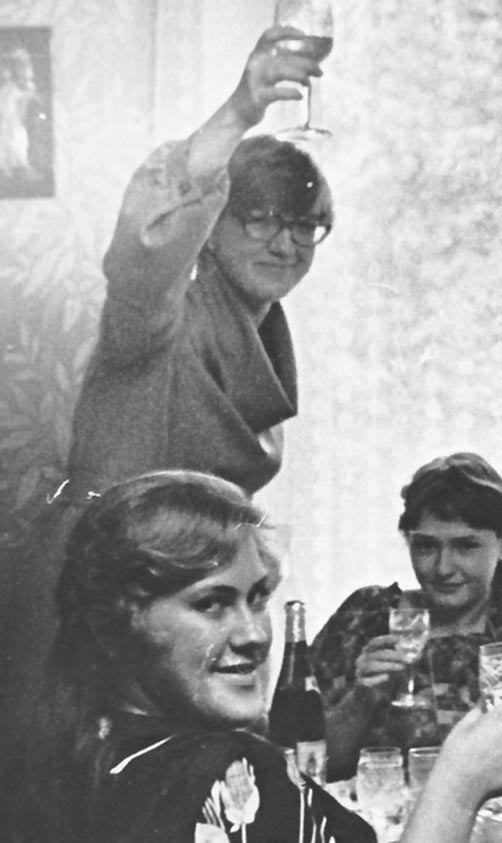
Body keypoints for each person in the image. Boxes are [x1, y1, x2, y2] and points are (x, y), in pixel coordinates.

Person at [0, 26, 333, 742]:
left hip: (180, 603)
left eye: (305, 225)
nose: (285, 242)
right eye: (262, 218)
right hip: (94, 596)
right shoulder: (163, 313)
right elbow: (147, 247)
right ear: (211, 227)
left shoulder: (262, 326)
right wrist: (243, 109)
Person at [2, 470, 502, 843]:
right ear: (122, 621)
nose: (254, 634)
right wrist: (457, 785)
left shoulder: (74, 741)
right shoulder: (233, 775)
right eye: (212, 604)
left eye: (257, 598)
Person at [311, 453, 502, 777]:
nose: (443, 568)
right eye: (426, 547)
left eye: (466, 546)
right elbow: (305, 765)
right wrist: (362, 698)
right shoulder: (366, 617)